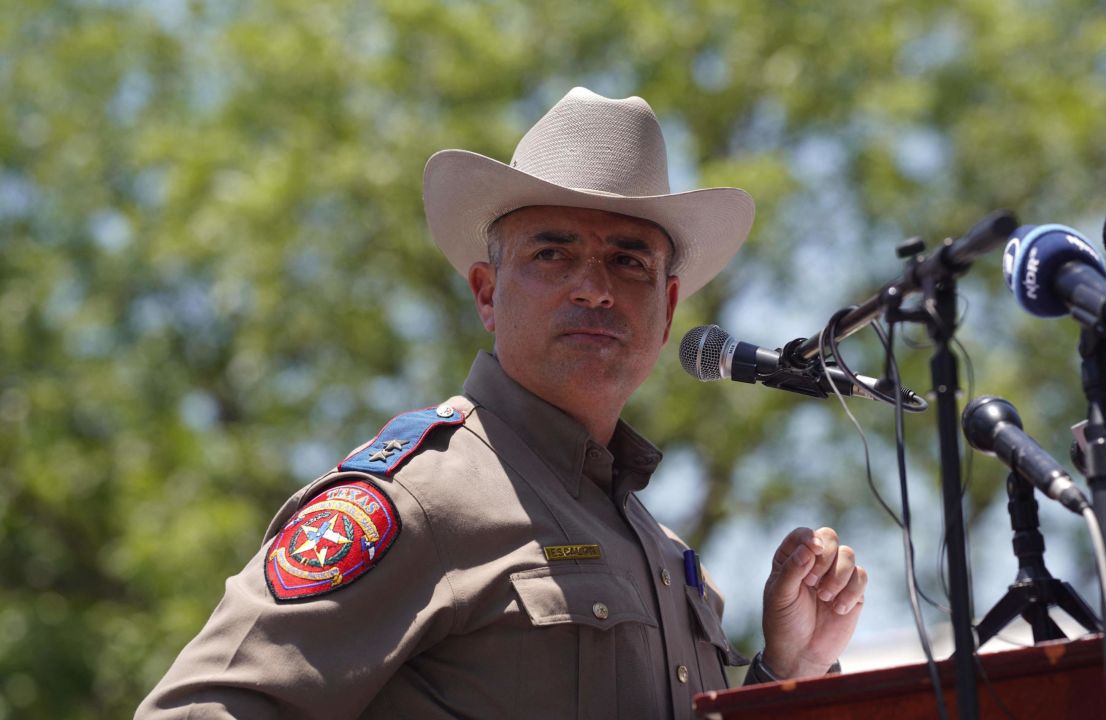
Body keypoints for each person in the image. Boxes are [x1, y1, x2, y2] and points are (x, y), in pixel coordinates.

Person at [137, 87, 868, 719]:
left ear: (668, 306)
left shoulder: (670, 560)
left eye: (628, 260)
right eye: (552, 253)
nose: (594, 286)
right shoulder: (422, 498)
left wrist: (787, 672)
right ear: (487, 293)